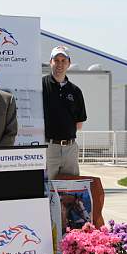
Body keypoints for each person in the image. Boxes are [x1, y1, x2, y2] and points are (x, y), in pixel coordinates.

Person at [42, 46, 87, 180]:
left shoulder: (75, 91)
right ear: (51, 62)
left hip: (70, 148)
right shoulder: (41, 86)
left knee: (71, 188)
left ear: (69, 63)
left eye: (63, 60)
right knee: (47, 188)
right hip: (49, 147)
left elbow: (79, 124)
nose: (60, 64)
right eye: (56, 60)